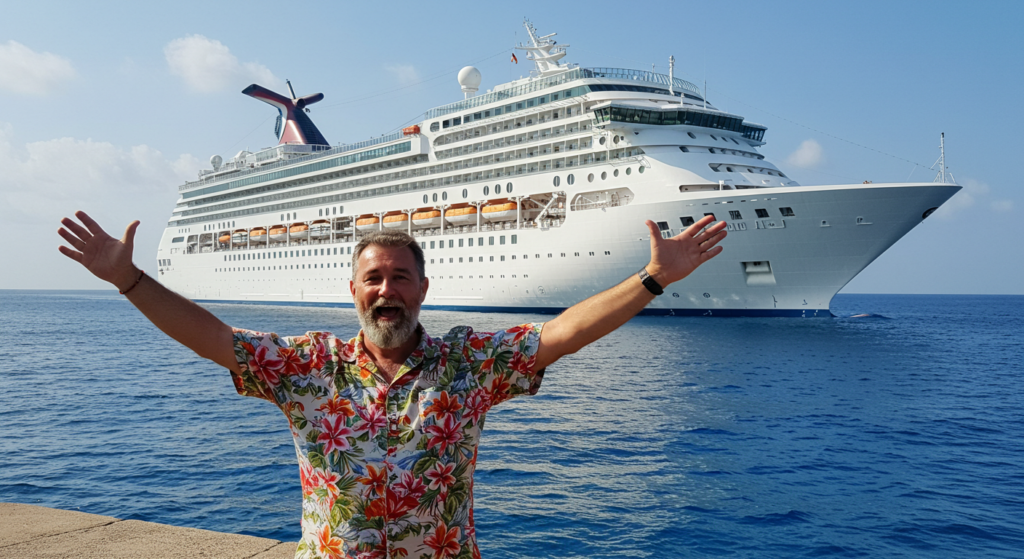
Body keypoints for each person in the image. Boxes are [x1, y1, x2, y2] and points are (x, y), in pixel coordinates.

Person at [57, 211, 726, 559]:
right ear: (352, 290)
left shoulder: (469, 363)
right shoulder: (306, 365)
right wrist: (130, 280)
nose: (386, 289)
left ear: (423, 289)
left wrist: (652, 280)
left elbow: (564, 333)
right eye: (374, 278)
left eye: (400, 277)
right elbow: (213, 338)